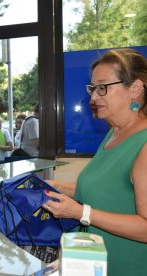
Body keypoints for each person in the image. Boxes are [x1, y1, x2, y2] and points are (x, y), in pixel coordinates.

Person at [42, 48, 147, 276]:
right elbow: (110, 193)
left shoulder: (144, 143)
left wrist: (81, 213)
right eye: (92, 89)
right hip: (95, 263)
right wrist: (61, 189)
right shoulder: (113, 134)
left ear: (135, 89)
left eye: (102, 88)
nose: (93, 97)